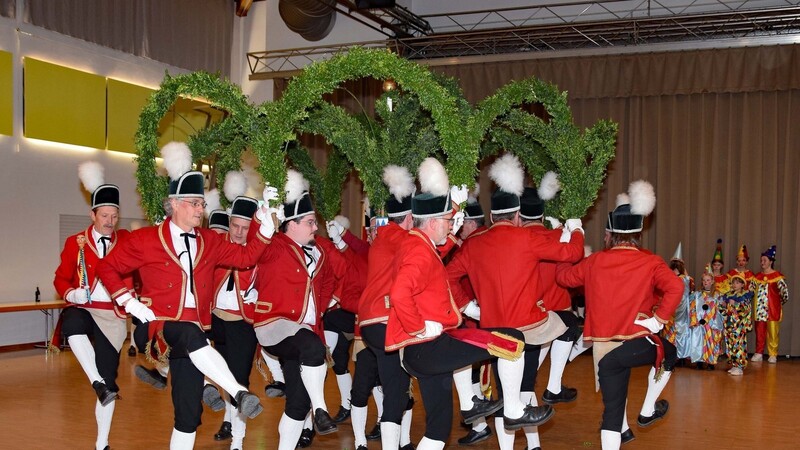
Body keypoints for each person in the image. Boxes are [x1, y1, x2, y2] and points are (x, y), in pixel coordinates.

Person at [96, 142, 269, 449]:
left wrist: (265, 230)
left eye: (202, 204)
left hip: (195, 340)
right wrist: (128, 300)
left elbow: (245, 258)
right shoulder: (145, 239)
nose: (201, 210)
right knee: (189, 333)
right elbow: (107, 267)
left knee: (188, 415)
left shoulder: (209, 241)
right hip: (155, 327)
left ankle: (220, 391)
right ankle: (239, 392)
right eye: (195, 203)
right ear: (175, 204)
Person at [391, 157, 553, 450]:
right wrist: (417, 328)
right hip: (426, 347)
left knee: (438, 430)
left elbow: (432, 262)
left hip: (422, 352)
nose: (452, 224)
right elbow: (401, 293)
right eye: (447, 221)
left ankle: (475, 404)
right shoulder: (418, 250)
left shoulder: (417, 242)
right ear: (431, 223)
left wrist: (454, 216)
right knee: (511, 340)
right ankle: (514, 409)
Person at [448, 157, 584, 450]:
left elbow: (447, 276)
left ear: (493, 216)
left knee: (505, 391)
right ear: (518, 215)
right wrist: (575, 228)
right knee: (571, 324)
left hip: (492, 328)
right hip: (529, 325)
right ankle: (554, 385)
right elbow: (572, 253)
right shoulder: (525, 238)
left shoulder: (474, 243)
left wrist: (468, 307)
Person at [556, 181, 683, 450]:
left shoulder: (594, 262)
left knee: (611, 413)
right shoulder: (650, 261)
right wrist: (658, 320)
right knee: (669, 354)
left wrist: (567, 243)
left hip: (603, 346)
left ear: (610, 234)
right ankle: (647, 411)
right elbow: (676, 286)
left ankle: (634, 420)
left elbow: (563, 277)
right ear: (638, 233)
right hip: (636, 340)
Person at [247, 169, 338, 450]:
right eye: (310, 222)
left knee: (298, 403)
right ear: (291, 224)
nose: (315, 228)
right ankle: (321, 411)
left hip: (303, 331)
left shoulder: (319, 252)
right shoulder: (275, 245)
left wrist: (323, 307)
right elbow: (255, 241)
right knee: (313, 349)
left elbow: (333, 281)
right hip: (275, 324)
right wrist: (263, 213)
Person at [53, 162, 130, 450]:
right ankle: (96, 380)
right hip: (85, 309)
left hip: (112, 315)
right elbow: (60, 278)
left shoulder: (127, 241)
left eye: (114, 216)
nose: (110, 221)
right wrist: (71, 293)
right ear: (93, 215)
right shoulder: (76, 242)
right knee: (71, 321)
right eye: (105, 215)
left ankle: (102, 443)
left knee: (110, 384)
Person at [358, 164, 422, 450]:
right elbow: (424, 249)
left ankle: (401, 443)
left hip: (375, 322)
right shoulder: (398, 236)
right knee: (396, 391)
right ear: (410, 217)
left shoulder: (387, 236)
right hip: (384, 320)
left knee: (395, 387)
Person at [209, 191, 261, 450]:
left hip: (242, 322)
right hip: (214, 317)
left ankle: (238, 439)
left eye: (245, 228)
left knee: (239, 379)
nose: (239, 233)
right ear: (229, 224)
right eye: (235, 226)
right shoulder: (217, 243)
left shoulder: (259, 249)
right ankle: (227, 421)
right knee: (214, 372)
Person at [751, 245, 790, 363]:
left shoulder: (777, 277)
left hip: (773, 310)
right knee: (760, 332)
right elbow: (750, 291)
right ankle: (759, 352)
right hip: (759, 310)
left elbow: (785, 294)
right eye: (761, 260)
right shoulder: (757, 277)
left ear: (771, 262)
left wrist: (778, 304)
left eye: (765, 260)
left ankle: (773, 354)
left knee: (773, 332)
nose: (762, 262)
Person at [662, 243, 692, 365]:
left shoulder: (685, 278)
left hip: (680, 306)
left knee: (680, 331)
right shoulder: (680, 278)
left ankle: (680, 356)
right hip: (672, 306)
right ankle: (673, 356)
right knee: (671, 330)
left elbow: (687, 291)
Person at [687, 267, 723, 370]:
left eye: (708, 280)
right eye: (704, 280)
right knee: (698, 342)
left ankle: (710, 362)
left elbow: (717, 309)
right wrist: (695, 320)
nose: (706, 282)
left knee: (710, 342)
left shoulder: (716, 295)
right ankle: (699, 361)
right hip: (699, 323)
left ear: (712, 281)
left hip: (711, 324)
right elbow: (692, 307)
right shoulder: (697, 294)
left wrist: (707, 320)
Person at [722, 274, 753, 375]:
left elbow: (745, 310)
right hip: (729, 325)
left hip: (738, 326)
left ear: (742, 284)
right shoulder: (728, 295)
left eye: (737, 282)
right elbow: (723, 310)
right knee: (730, 345)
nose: (735, 285)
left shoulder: (744, 296)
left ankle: (740, 365)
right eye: (733, 282)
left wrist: (735, 304)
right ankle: (734, 364)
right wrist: (724, 305)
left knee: (738, 345)